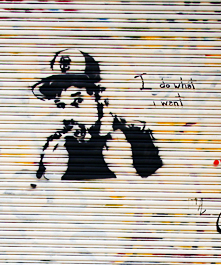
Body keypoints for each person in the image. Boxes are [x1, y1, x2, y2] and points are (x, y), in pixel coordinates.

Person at [31, 49, 162, 181]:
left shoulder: (133, 137)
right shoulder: (61, 141)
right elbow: (47, 182)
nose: (68, 114)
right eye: (61, 105)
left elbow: (152, 183)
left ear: (98, 97)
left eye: (77, 101)